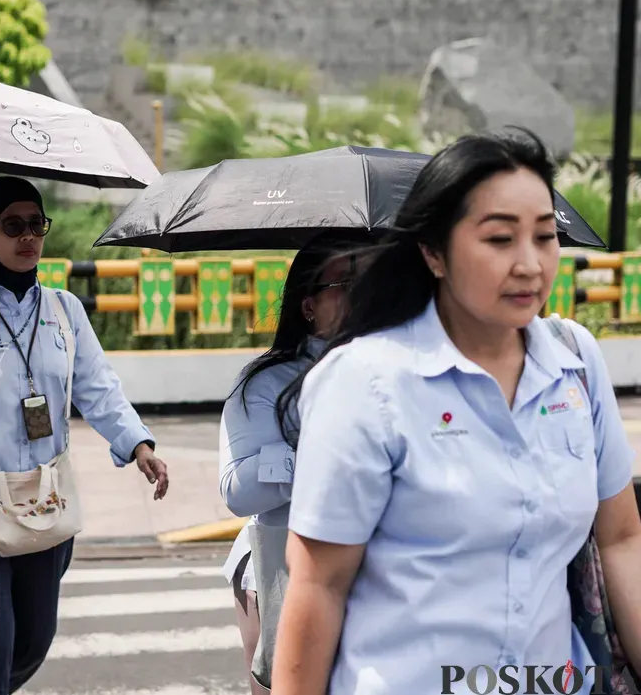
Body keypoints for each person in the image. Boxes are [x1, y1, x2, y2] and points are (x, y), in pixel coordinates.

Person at [269, 132, 641, 695]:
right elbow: (319, 586)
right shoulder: (367, 381)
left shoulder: (575, 362)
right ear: (433, 253)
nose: (529, 265)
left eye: (544, 237)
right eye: (498, 238)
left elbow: (621, 538)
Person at [0, 176, 170, 695]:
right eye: (12, 225)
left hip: (43, 497)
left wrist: (139, 444)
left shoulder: (64, 309)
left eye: (36, 224)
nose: (28, 237)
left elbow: (98, 388)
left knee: (32, 639)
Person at [218, 233, 362, 695]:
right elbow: (239, 492)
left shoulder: (396, 372)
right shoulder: (266, 384)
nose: (359, 293)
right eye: (344, 284)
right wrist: (324, 457)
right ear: (308, 306)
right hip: (282, 563)